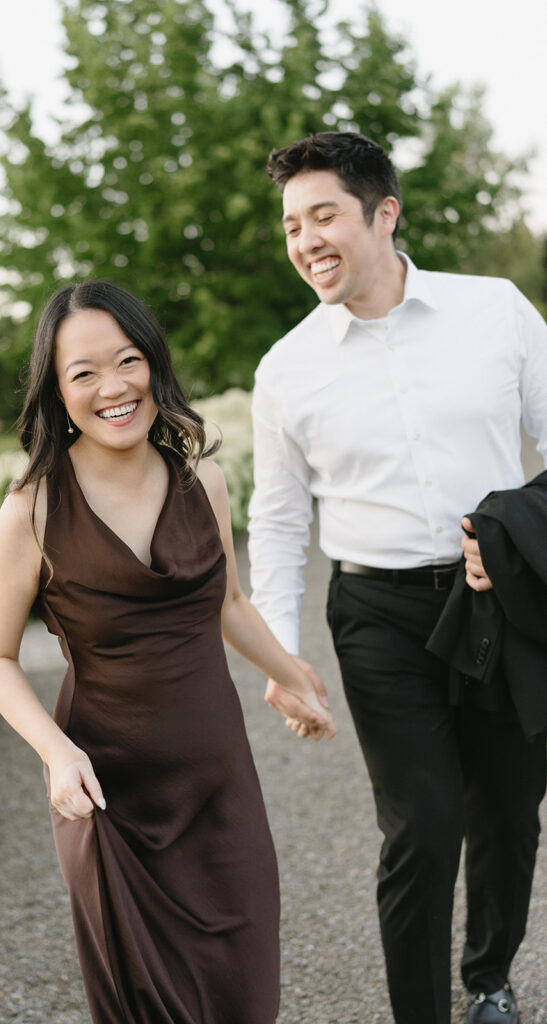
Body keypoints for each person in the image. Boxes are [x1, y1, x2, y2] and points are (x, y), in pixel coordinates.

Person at [0, 280, 335, 1024]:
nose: (113, 387)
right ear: (57, 389)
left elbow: (228, 602)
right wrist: (55, 752)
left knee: (242, 990)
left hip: (218, 788)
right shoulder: (33, 508)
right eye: (84, 372)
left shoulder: (202, 479)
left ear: (153, 364)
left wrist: (290, 676)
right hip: (110, 798)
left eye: (127, 359)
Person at [248, 131, 547, 1024]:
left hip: (503, 600)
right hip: (377, 613)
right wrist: (277, 654)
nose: (304, 241)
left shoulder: (495, 311)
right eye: (292, 224)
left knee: (506, 812)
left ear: (383, 214)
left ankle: (487, 978)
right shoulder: (285, 369)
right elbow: (275, 520)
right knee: (420, 829)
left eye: (323, 215)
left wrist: (514, 539)